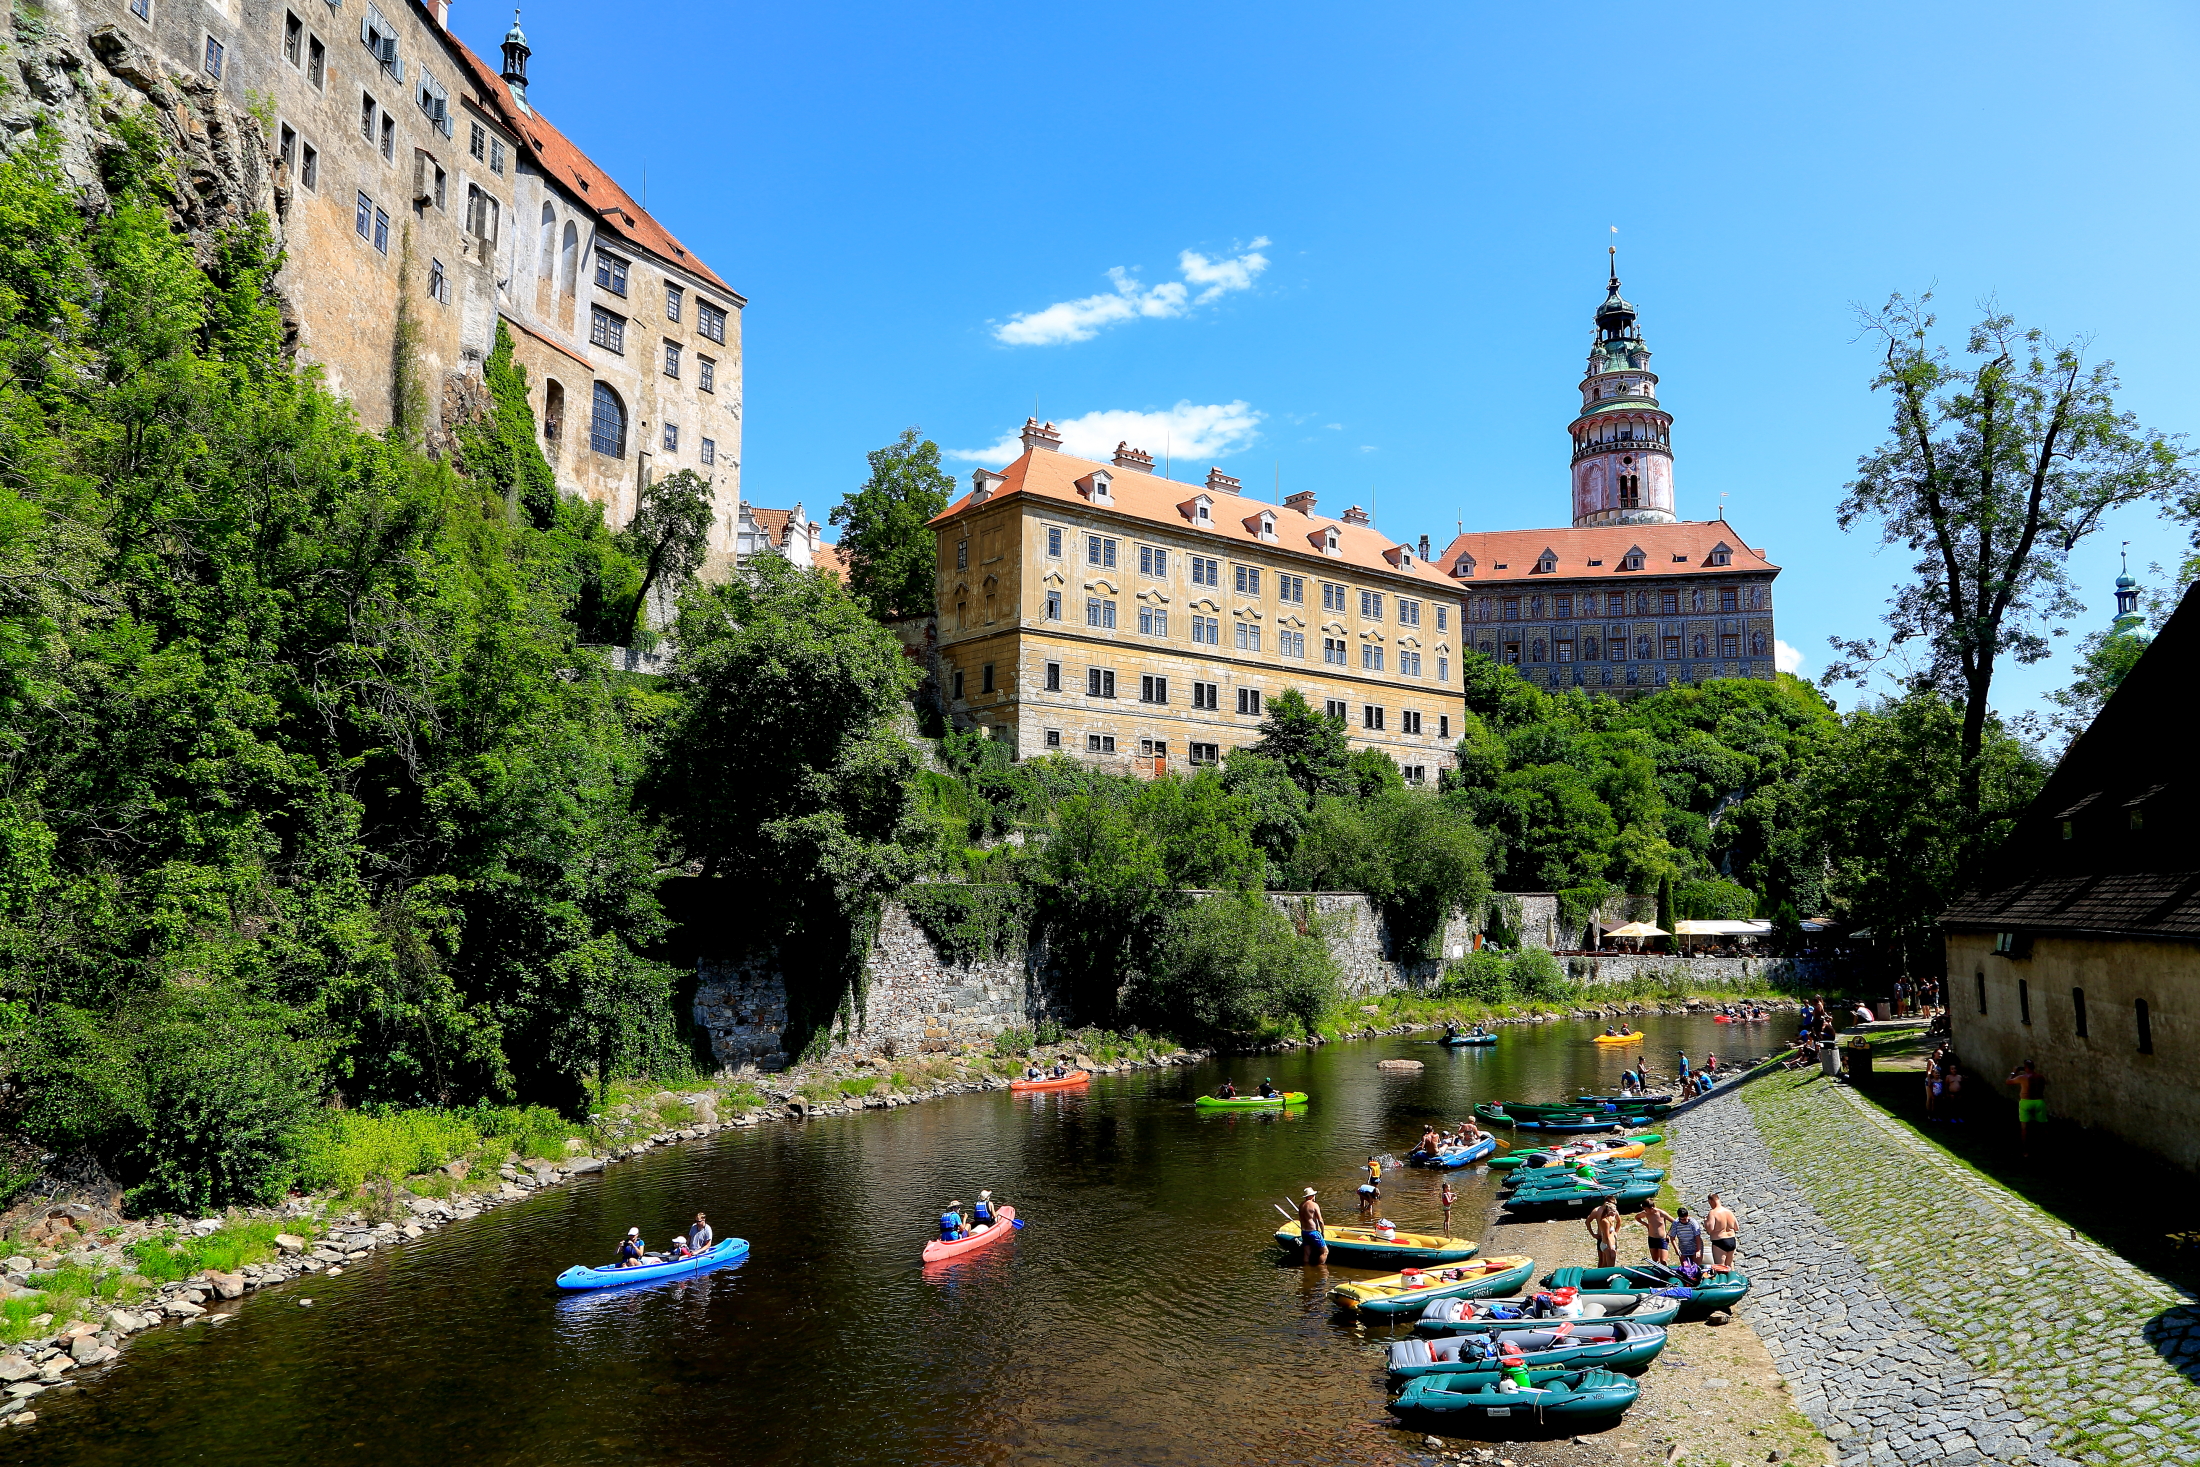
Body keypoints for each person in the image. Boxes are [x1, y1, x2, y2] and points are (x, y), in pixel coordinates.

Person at [2006, 1059, 2043, 1156]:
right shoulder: (2040, 1077)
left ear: (2025, 1068)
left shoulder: (2023, 1077)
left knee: (2024, 1127)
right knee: (2042, 1126)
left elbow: (2008, 1081)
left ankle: (2025, 1151)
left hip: (2026, 1102)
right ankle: (2043, 1148)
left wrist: (2014, 1071)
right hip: (2039, 1102)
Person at [1704, 1193, 1740, 1277]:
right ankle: (1734, 1282)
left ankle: (1723, 1285)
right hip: (1731, 1240)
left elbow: (1710, 1229)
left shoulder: (1713, 1213)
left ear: (1711, 1201)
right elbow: (1736, 1227)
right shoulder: (1729, 1211)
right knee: (1730, 1265)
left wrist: (1705, 1222)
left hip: (1720, 1241)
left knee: (1721, 1267)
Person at [1584, 1198, 1622, 1268]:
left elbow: (1619, 1221)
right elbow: (1587, 1221)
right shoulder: (1597, 1211)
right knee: (1601, 1260)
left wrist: (1616, 1232)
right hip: (1602, 1238)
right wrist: (1592, 1234)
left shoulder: (1613, 1211)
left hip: (1611, 1238)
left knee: (1609, 1260)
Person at [1635, 1199, 1674, 1264]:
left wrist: (1669, 1234)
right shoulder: (1646, 1213)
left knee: (1663, 1261)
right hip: (1652, 1238)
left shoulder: (1661, 1213)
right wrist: (1646, 1225)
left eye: (1646, 1209)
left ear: (1652, 1208)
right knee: (1655, 1261)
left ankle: (1665, 1273)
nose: (1645, 1211)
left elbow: (1674, 1222)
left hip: (1662, 1239)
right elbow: (1637, 1217)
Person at [1297, 1187, 1327, 1264]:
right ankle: (1320, 1270)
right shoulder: (1314, 1205)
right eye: (1313, 1195)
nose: (1314, 1196)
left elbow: (1300, 1219)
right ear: (1310, 1196)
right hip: (1313, 1232)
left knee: (1306, 1253)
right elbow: (1320, 1220)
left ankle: (1306, 1269)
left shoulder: (1301, 1205)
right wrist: (1323, 1232)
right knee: (1325, 1252)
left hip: (1304, 1232)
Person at [1670, 1207, 1704, 1271]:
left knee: (1696, 1268)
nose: (1684, 1221)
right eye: (1682, 1219)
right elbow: (1672, 1238)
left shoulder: (1693, 1223)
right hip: (1683, 1248)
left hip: (1695, 1247)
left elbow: (1698, 1237)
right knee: (1685, 1268)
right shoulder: (1676, 1223)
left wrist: (1698, 1250)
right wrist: (1676, 1249)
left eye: (1685, 1219)